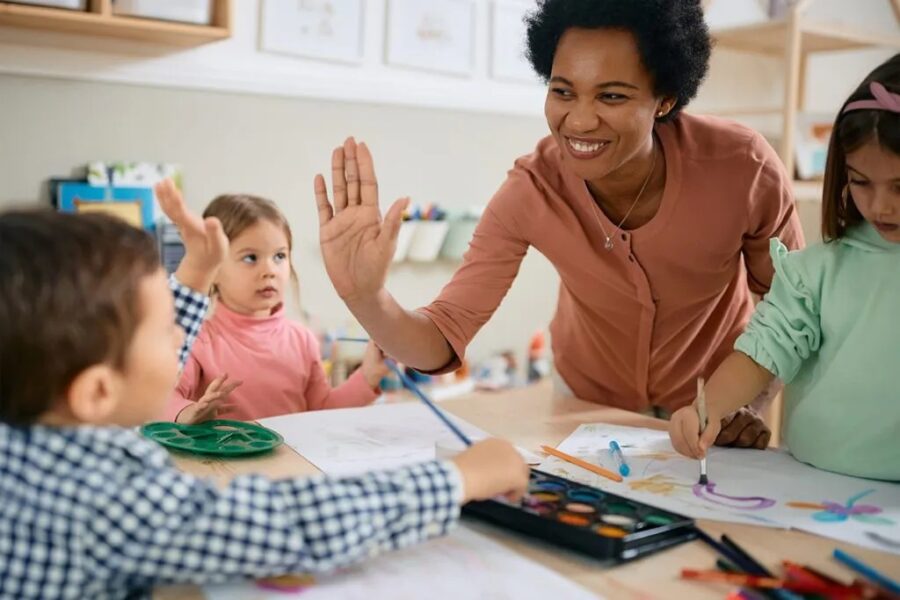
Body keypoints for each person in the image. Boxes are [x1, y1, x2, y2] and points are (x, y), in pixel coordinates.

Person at [0, 181, 529, 599]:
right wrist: (456, 478)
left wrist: (194, 271)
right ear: (95, 393)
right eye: (166, 331)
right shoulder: (104, 501)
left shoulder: (33, 443)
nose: (183, 336)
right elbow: (284, 523)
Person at [313, 0, 804, 448]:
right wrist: (367, 297)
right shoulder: (532, 188)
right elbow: (441, 338)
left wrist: (742, 404)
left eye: (611, 97)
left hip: (714, 399)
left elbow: (792, 308)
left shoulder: (742, 168)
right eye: (563, 91)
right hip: (587, 403)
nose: (580, 120)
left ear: (665, 100)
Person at [668, 54, 900, 481]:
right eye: (861, 182)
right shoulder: (815, 271)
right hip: (808, 484)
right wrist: (706, 409)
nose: (881, 206)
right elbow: (761, 354)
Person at [167, 193, 388, 423]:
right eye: (251, 258)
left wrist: (368, 375)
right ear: (213, 268)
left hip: (294, 459)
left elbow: (322, 410)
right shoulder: (196, 339)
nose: (270, 270)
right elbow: (164, 398)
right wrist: (187, 412)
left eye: (279, 256)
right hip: (226, 460)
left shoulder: (302, 339)